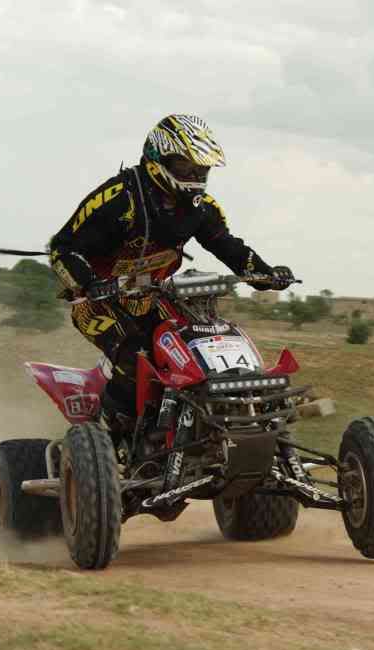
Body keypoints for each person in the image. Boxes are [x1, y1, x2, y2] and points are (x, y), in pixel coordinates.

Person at [49, 114, 294, 432]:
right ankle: (114, 431)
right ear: (157, 159)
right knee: (137, 355)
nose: (194, 175)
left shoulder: (200, 207)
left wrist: (265, 274)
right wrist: (88, 284)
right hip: (100, 301)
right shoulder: (120, 199)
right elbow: (63, 248)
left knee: (206, 344)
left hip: (156, 297)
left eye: (201, 169)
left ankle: (205, 424)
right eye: (185, 166)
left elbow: (227, 246)